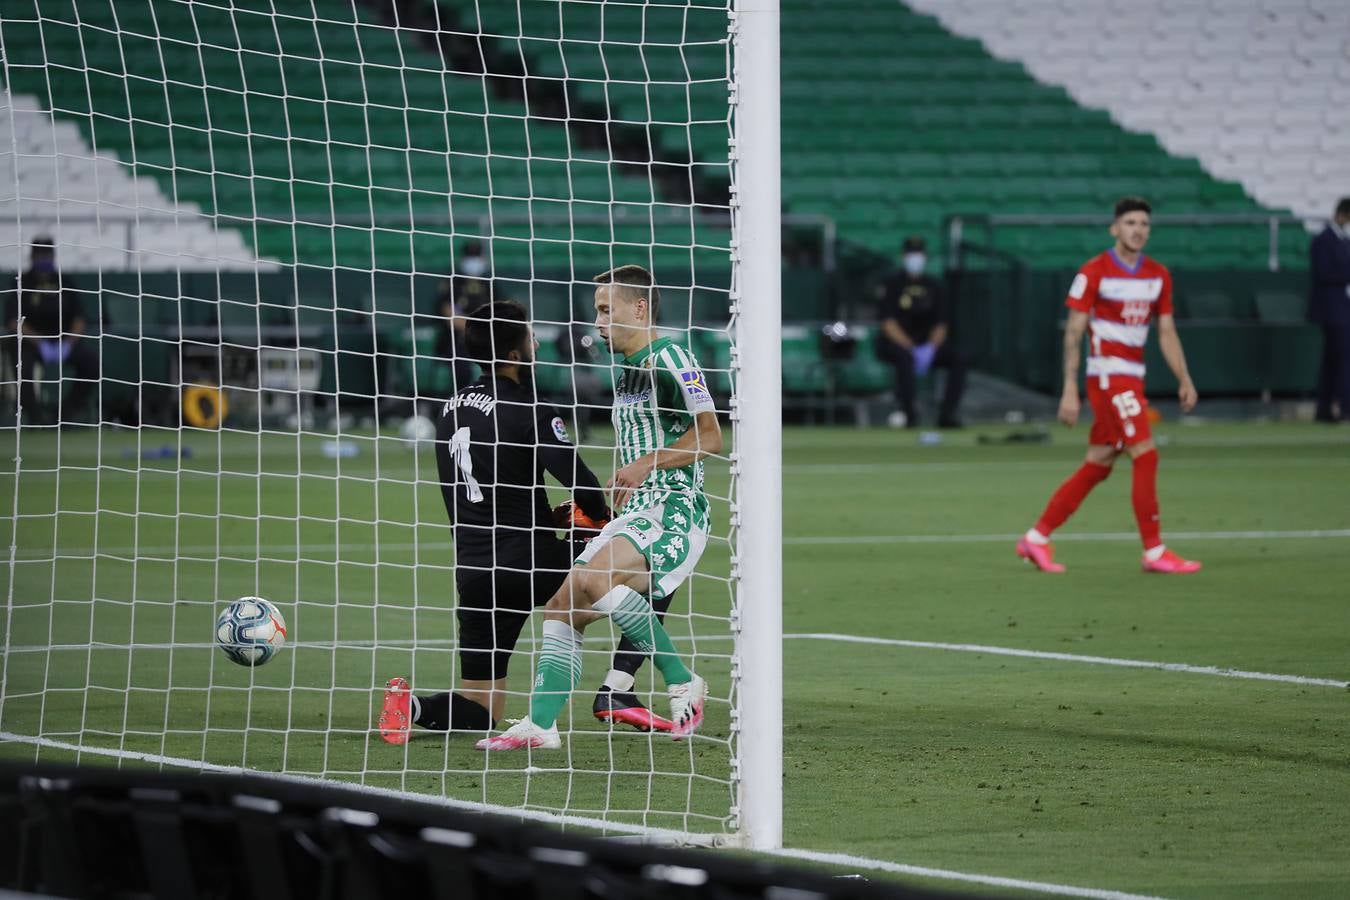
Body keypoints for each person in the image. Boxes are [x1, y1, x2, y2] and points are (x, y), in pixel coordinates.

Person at [476, 264, 722, 751]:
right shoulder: (629, 369)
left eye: (607, 310)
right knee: (563, 605)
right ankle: (542, 725)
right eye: (597, 311)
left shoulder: (673, 358)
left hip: (675, 507)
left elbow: (711, 436)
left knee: (593, 580)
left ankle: (681, 680)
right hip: (639, 511)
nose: (600, 322)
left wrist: (647, 464)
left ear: (641, 307)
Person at [376, 299, 613, 744]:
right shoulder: (532, 409)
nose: (537, 340)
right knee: (642, 565)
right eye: (529, 334)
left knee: (484, 707)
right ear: (514, 354)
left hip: (475, 570)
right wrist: (601, 520)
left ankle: (412, 707)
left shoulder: (449, 409)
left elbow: (486, 484)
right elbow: (584, 485)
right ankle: (624, 686)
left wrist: (550, 515)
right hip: (534, 562)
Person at [1017, 197, 1201, 575]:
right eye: (1130, 222)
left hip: (1132, 376)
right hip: (1107, 377)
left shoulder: (1157, 275)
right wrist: (1070, 388)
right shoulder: (1094, 271)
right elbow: (1074, 331)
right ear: (1114, 228)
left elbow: (1165, 331)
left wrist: (1184, 377)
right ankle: (1154, 551)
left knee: (1098, 465)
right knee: (1146, 454)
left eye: (1144, 224)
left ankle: (1035, 538)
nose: (1138, 230)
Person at [2, 236, 98, 425]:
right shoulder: (22, 281)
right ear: (32, 256)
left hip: (63, 342)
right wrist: (40, 342)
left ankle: (64, 415)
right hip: (32, 343)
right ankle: (35, 417)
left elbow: (80, 318)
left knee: (92, 363)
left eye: (47, 254)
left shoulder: (64, 281)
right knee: (21, 362)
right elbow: (13, 321)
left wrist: (68, 343)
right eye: (40, 255)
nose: (44, 259)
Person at [873, 236, 967, 428]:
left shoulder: (935, 285)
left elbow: (941, 323)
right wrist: (910, 346)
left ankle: (947, 414)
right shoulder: (892, 284)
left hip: (927, 343)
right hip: (897, 343)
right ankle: (910, 414)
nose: (915, 258)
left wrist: (931, 347)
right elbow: (888, 322)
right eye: (911, 254)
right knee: (904, 358)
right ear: (903, 256)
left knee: (959, 358)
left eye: (918, 254)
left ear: (924, 257)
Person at [1309, 197, 1350, 423]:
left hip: (1343, 309)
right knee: (1343, 359)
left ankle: (1323, 409)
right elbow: (1323, 273)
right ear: (1341, 214)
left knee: (1332, 360)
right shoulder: (1323, 240)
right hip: (1332, 310)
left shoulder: (1343, 240)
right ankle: (1345, 407)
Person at [431, 240, 491, 391]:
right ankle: (461, 402)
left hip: (486, 339)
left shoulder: (488, 282)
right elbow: (450, 315)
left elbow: (500, 309)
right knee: (462, 366)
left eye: (477, 256)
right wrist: (478, 327)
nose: (475, 261)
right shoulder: (453, 281)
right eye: (471, 257)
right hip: (456, 340)